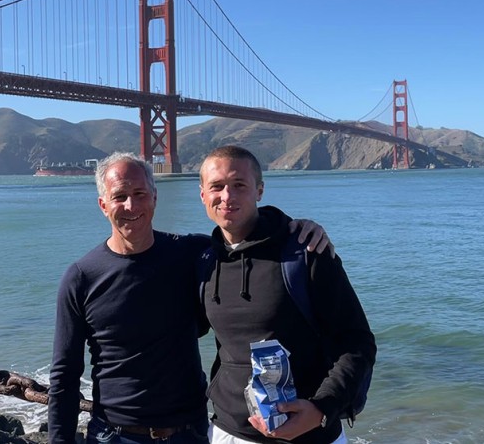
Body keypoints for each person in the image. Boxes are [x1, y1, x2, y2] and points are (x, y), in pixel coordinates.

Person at [48, 152, 332, 444]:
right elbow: (65, 375)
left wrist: (296, 229)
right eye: (119, 196)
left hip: (191, 432)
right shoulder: (81, 277)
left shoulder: (193, 253)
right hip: (116, 435)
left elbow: (247, 238)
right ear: (103, 204)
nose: (131, 205)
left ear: (154, 198)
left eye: (140, 193)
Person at [198, 145, 377, 444]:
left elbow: (358, 343)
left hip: (311, 433)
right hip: (229, 431)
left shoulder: (307, 251)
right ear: (203, 194)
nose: (227, 196)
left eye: (239, 185)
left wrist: (322, 408)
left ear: (260, 191)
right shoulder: (202, 259)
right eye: (217, 186)